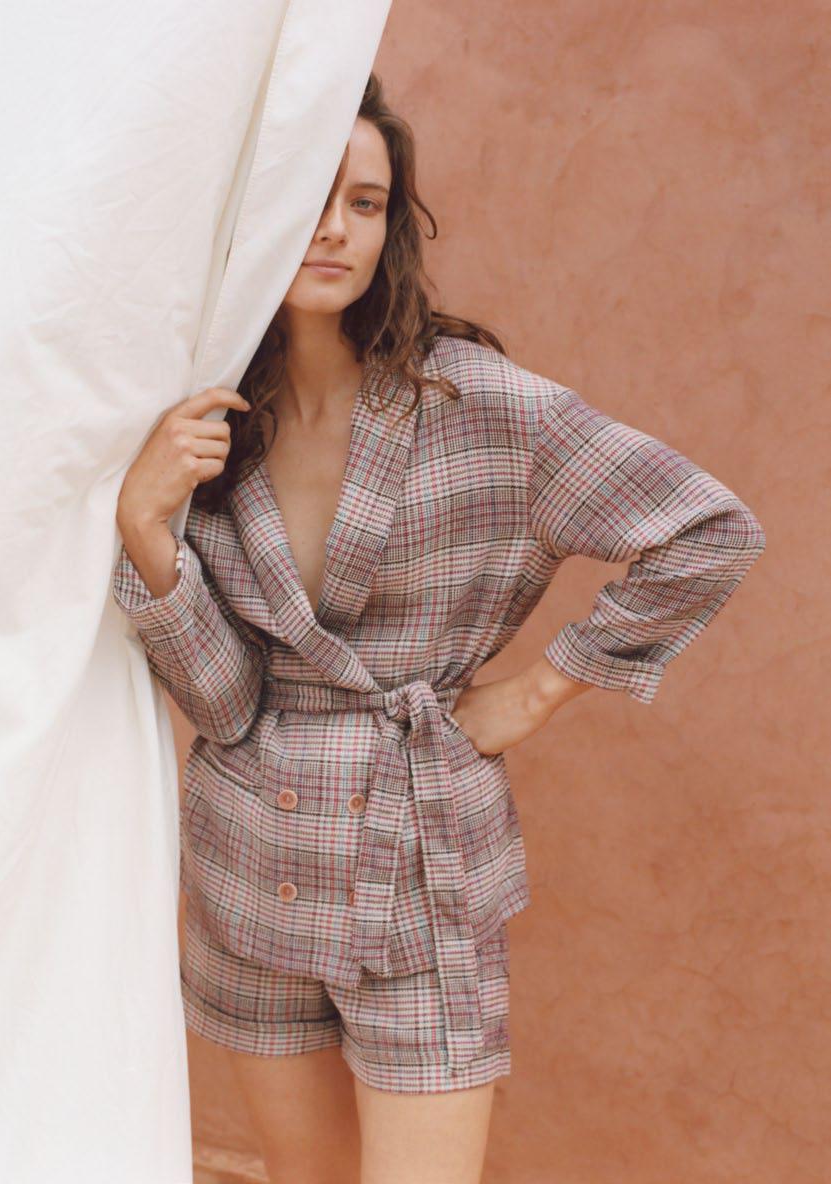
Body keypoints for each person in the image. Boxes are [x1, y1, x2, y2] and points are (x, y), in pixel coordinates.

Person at [111, 73, 766, 1184]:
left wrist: (543, 686)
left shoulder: (478, 404)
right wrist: (145, 527)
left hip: (416, 870)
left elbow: (709, 529)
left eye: (365, 203)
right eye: (310, 194)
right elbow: (225, 704)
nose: (334, 227)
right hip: (249, 868)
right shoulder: (206, 428)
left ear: (390, 229)